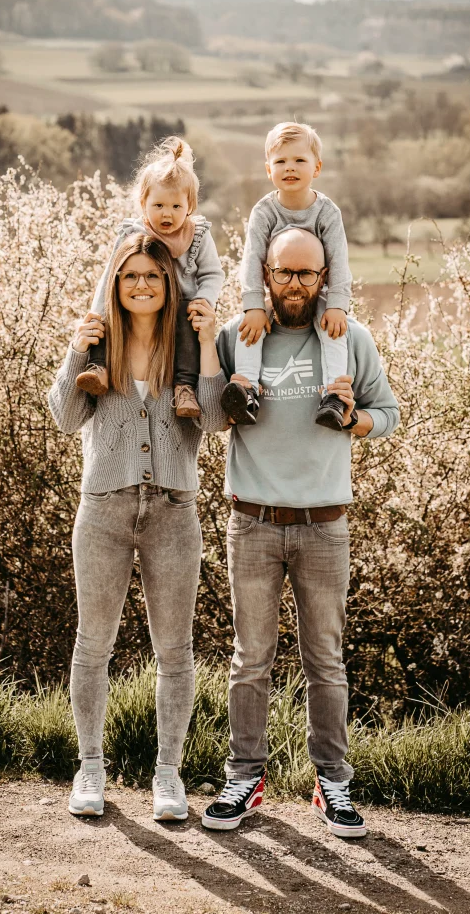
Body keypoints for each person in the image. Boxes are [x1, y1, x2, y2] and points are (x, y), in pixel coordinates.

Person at [201, 227, 400, 837]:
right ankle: (245, 778)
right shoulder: (240, 337)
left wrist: (353, 420)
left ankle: (331, 783)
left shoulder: (349, 339)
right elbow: (210, 420)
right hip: (253, 522)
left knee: (326, 661)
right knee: (249, 661)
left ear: (325, 278)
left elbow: (387, 413)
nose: (295, 285)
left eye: (307, 274)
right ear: (265, 272)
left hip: (324, 526)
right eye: (284, 273)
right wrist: (224, 389)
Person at [48, 233, 223, 822]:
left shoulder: (190, 354)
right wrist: (76, 351)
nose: (143, 284)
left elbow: (220, 420)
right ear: (115, 285)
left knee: (175, 650)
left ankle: (168, 776)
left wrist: (209, 346)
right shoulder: (101, 350)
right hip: (103, 509)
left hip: (174, 513)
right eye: (130, 277)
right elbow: (65, 417)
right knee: (92, 644)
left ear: (169, 282)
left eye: (153, 275)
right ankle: (90, 768)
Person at [76, 136, 224, 420]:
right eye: (158, 206)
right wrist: (97, 312)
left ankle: (184, 389)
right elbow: (110, 278)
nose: (167, 214)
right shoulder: (133, 235)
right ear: (143, 203)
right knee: (107, 323)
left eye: (176, 207)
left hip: (182, 306)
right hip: (135, 305)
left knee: (188, 336)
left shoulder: (197, 236)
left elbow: (213, 273)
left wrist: (204, 300)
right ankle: (99, 368)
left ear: (189, 206)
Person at [221, 121, 352, 431]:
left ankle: (334, 398)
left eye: (299, 161)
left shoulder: (327, 213)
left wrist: (337, 304)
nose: (289, 168)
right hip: (273, 293)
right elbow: (252, 258)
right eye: (280, 161)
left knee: (334, 332)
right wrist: (253, 305)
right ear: (269, 170)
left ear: (316, 168)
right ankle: (248, 392)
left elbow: (339, 260)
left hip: (316, 293)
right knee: (249, 330)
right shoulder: (264, 212)